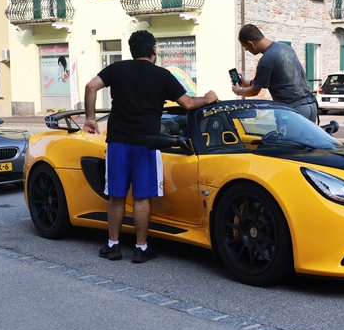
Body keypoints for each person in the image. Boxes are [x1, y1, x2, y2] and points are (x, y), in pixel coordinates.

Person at [83, 30, 217, 263]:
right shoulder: (162, 76)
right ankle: (140, 248)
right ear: (153, 51)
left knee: (116, 196)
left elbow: (90, 86)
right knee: (142, 197)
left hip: (117, 141)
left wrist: (91, 118)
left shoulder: (117, 69)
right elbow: (187, 103)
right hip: (147, 142)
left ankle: (113, 246)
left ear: (132, 51)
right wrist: (208, 98)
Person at [232, 24, 317, 122]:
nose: (246, 50)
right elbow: (281, 80)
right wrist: (247, 83)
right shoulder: (285, 47)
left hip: (293, 109)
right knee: (308, 138)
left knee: (287, 138)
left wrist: (237, 91)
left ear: (251, 43)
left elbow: (254, 91)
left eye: (245, 47)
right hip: (311, 106)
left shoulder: (266, 59)